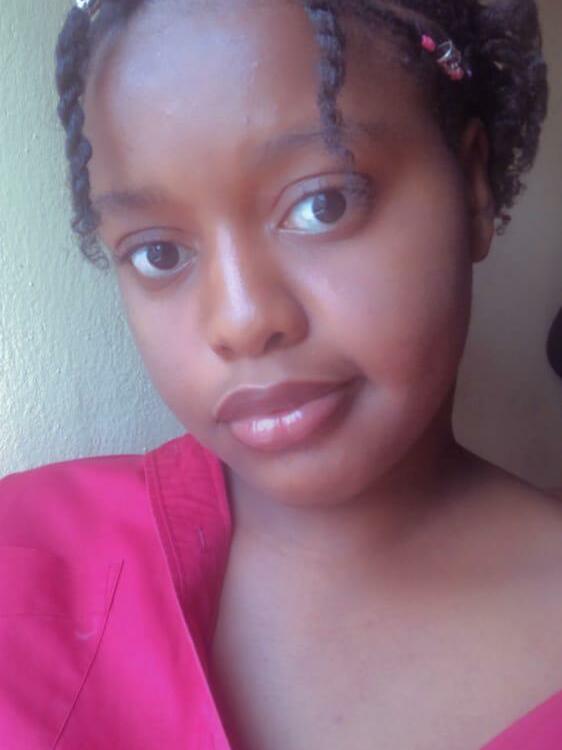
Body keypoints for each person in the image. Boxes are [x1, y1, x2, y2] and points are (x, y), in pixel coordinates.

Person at [0, 0, 560, 747]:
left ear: (474, 186)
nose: (239, 320)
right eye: (159, 253)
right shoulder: (22, 554)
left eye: (323, 203)